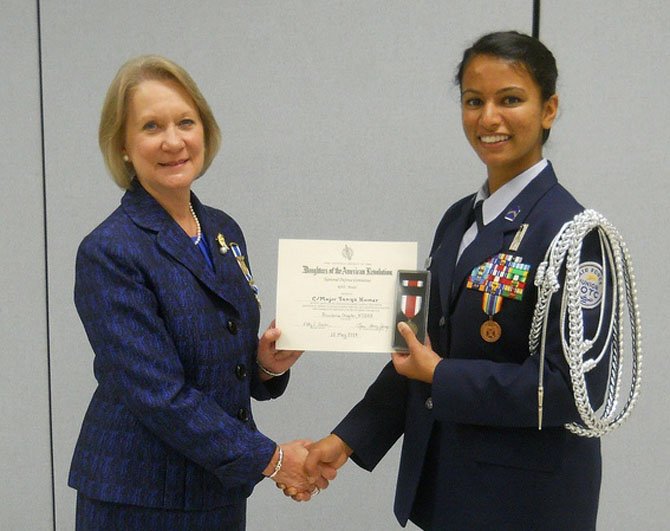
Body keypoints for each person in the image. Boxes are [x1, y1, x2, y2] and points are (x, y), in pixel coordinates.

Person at [303, 31, 611, 530]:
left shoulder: (574, 232)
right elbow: (418, 351)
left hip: (527, 503)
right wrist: (348, 438)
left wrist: (440, 374)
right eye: (474, 101)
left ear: (548, 109)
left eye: (510, 99)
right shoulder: (458, 221)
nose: (488, 118)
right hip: (450, 492)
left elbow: (575, 390)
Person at [69, 55, 328, 530]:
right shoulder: (109, 250)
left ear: (204, 130)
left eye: (185, 122)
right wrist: (272, 460)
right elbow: (159, 394)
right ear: (123, 146)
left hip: (215, 490)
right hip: (139, 498)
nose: (173, 141)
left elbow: (219, 361)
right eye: (151, 126)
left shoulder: (223, 231)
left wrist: (265, 365)